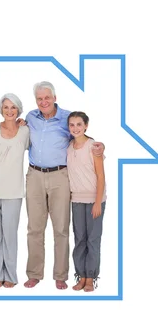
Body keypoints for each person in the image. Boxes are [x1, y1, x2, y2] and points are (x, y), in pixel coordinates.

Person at [23, 81, 105, 290]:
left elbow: (82, 140)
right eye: (39, 98)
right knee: (34, 228)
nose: (44, 102)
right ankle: (34, 273)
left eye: (47, 97)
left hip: (60, 176)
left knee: (61, 228)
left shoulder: (67, 119)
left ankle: (61, 275)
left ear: (55, 97)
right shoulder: (31, 117)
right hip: (34, 175)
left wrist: (100, 145)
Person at [0, 93, 30, 288]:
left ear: (18, 109)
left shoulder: (26, 131)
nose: (9, 111)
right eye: (6, 107)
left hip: (14, 191)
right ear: (1, 109)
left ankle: (10, 274)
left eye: (13, 107)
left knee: (10, 234)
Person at [67, 111, 106, 292]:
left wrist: (98, 202)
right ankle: (81, 276)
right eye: (72, 125)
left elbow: (100, 176)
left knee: (93, 239)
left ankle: (91, 277)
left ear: (86, 126)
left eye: (79, 125)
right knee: (79, 239)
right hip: (76, 200)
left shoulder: (93, 147)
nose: (75, 128)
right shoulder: (68, 147)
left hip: (94, 200)